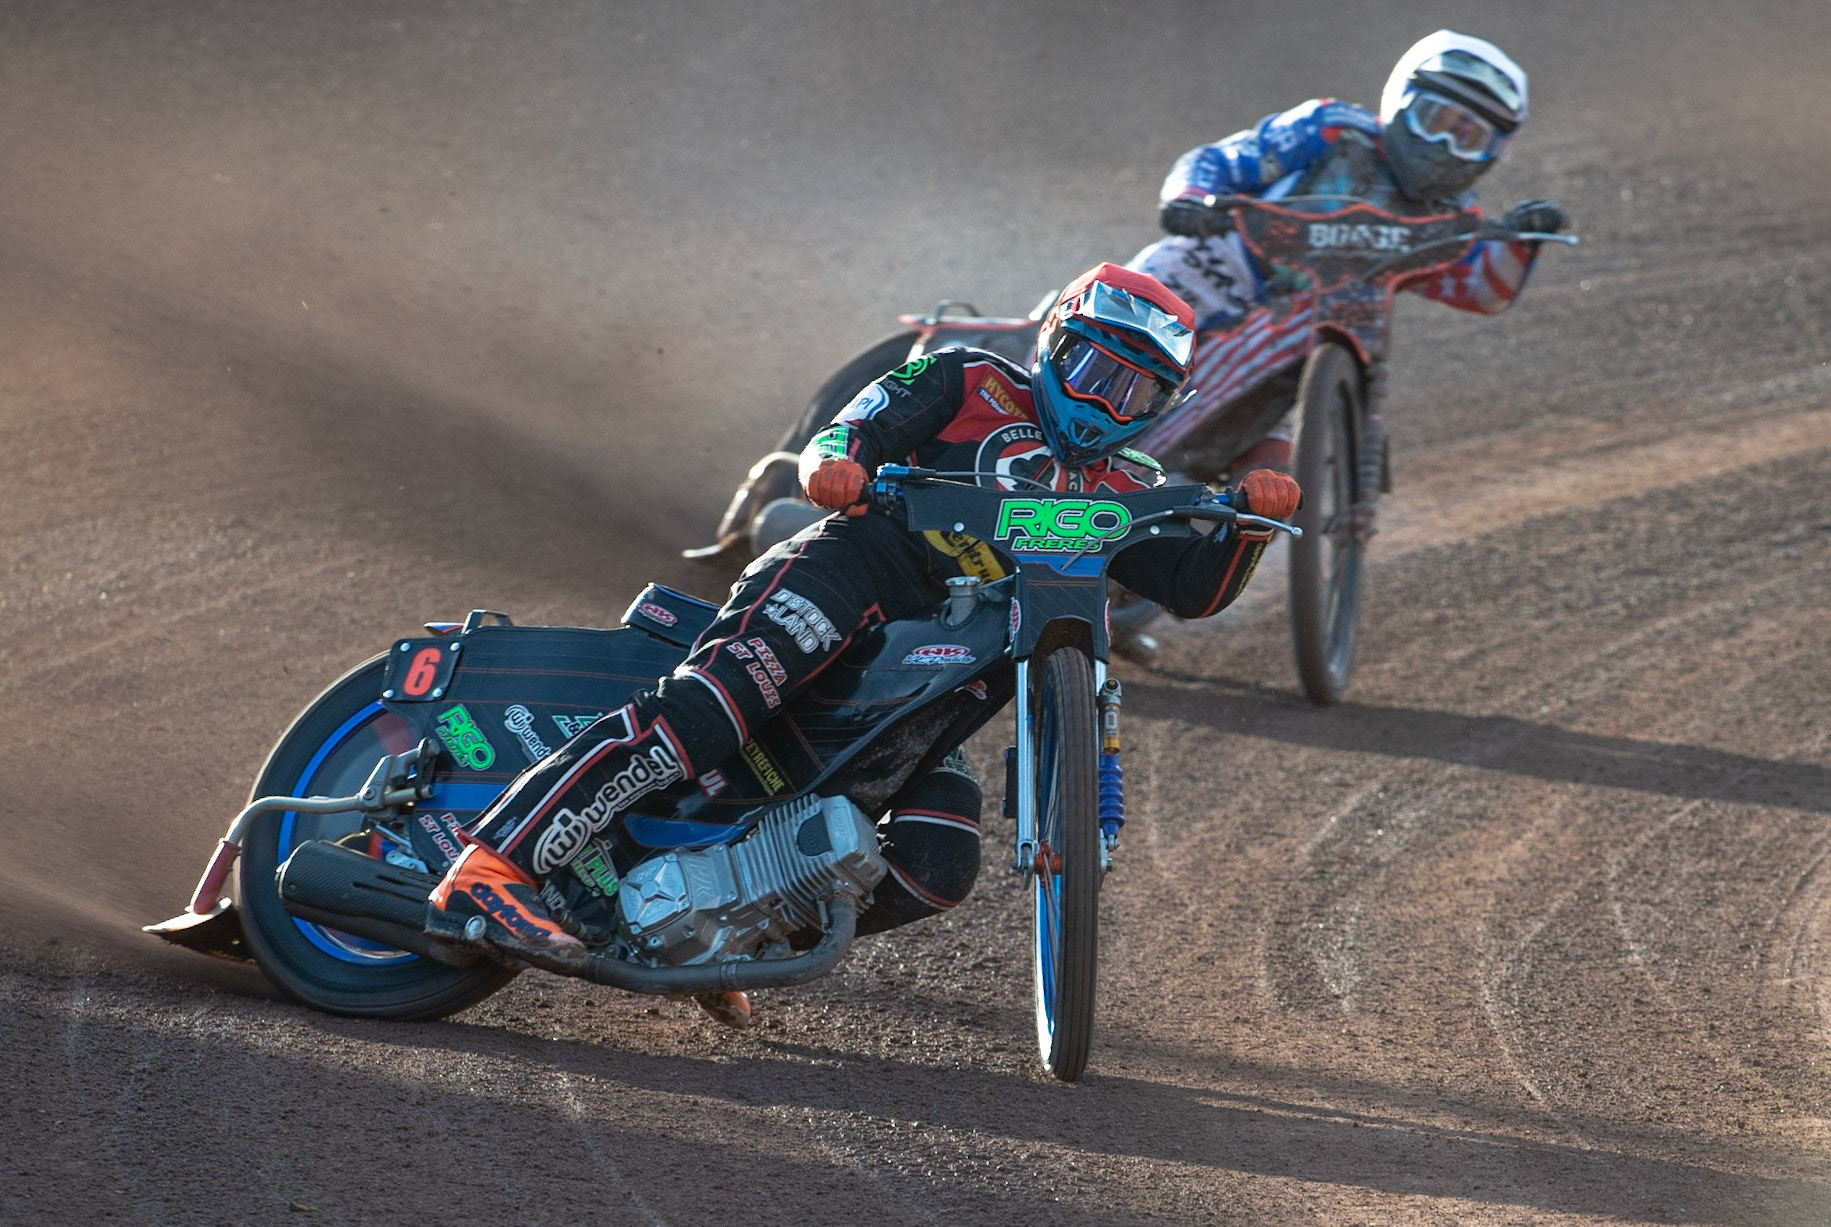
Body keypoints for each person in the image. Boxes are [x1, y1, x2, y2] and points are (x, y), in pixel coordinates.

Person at [424, 263, 1301, 1025]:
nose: (1107, 402)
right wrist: (831, 466)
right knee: (711, 707)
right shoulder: (966, 378)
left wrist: (1251, 524)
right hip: (849, 575)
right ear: (1052, 343)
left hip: (938, 679)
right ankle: (493, 861)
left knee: (938, 860)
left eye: (1135, 392)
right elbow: (851, 432)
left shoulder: (1128, 485)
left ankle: (726, 936)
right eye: (1093, 370)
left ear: (1162, 406)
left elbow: (1192, 588)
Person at [1127, 29, 1571, 478]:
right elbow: (1228, 158)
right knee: (1118, 337)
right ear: (1401, 101)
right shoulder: (1332, 129)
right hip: (1207, 271)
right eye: (1434, 120)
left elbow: (1481, 290)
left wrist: (1521, 242)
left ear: (1494, 154)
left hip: (1309, 335)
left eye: (1469, 139)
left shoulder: (1450, 216)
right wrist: (1191, 198)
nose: (1443, 146)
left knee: (1273, 479)